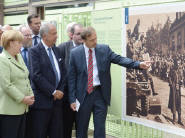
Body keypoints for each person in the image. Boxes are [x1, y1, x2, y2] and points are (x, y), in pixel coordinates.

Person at [68, 27, 152, 138]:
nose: (95, 42)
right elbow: (72, 78)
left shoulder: (104, 49)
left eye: (96, 38)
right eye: (92, 40)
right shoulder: (75, 54)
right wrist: (72, 99)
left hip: (100, 95)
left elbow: (120, 59)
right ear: (84, 40)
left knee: (100, 129)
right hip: (83, 96)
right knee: (81, 129)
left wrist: (138, 64)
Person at [29, 22, 66, 138]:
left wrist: (60, 90)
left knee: (57, 134)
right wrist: (53, 91)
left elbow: (64, 73)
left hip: (57, 103)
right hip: (42, 103)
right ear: (44, 36)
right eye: (54, 33)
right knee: (40, 134)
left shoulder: (57, 50)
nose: (57, 36)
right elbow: (36, 76)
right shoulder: (34, 51)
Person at [0, 30, 34, 138]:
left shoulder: (18, 57)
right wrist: (23, 98)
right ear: (11, 43)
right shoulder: (2, 59)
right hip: (9, 110)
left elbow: (25, 77)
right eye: (19, 42)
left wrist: (31, 94)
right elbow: (6, 85)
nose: (21, 44)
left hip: (22, 108)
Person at [58, 23, 83, 138]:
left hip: (83, 95)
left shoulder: (88, 48)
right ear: (71, 35)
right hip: (67, 96)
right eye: (78, 34)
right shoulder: (63, 47)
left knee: (81, 126)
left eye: (83, 33)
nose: (81, 36)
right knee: (66, 126)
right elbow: (59, 70)